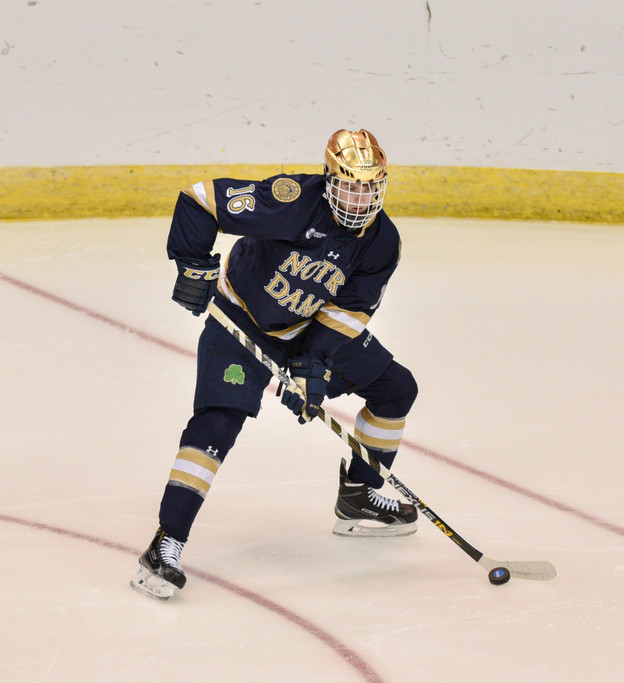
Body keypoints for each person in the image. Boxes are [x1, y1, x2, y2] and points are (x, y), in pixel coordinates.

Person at [131, 129, 419, 600]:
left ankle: (359, 496)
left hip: (306, 329)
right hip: (241, 318)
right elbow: (201, 199)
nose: (358, 196)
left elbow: (349, 311)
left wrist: (314, 366)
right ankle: (167, 542)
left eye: (368, 186)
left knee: (396, 389)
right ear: (330, 179)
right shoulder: (292, 200)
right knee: (218, 423)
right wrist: (193, 265)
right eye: (349, 183)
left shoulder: (382, 241)